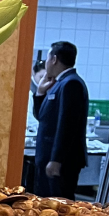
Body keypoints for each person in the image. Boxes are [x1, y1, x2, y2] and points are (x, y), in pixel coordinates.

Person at [32, 40, 89, 199]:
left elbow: (67, 125)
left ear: (54, 59)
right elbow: (42, 117)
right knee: (46, 204)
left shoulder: (71, 83)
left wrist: (56, 160)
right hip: (48, 157)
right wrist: (40, 92)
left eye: (48, 58)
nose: (46, 63)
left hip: (60, 162)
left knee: (59, 205)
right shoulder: (58, 83)